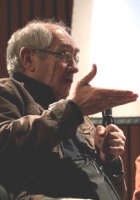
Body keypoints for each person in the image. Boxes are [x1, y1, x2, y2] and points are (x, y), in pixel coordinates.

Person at [0, 19, 138, 200]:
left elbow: (115, 193)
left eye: (75, 57)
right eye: (65, 55)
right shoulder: (7, 92)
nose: (75, 67)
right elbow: (6, 146)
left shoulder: (77, 115)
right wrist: (72, 109)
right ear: (28, 59)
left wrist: (108, 160)